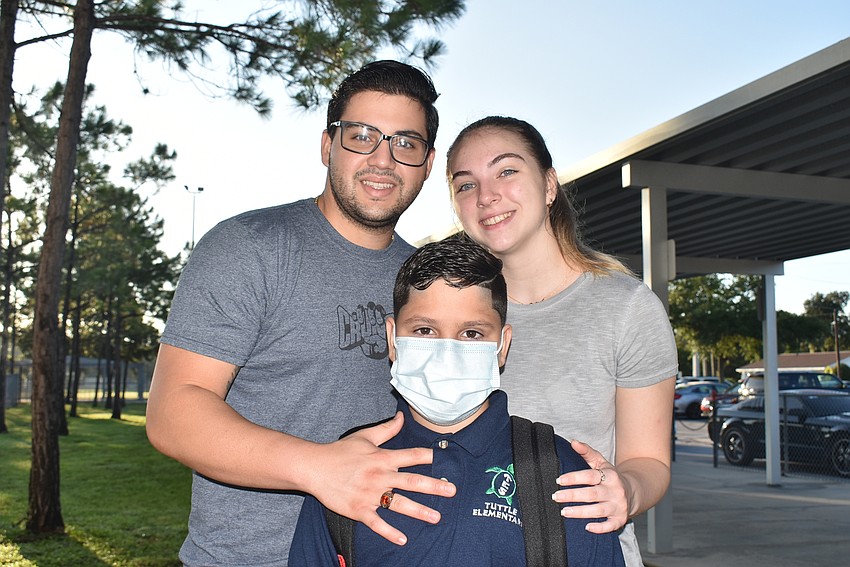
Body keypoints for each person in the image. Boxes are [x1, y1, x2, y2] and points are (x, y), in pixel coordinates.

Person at [145, 60, 457, 566]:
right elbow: (172, 414)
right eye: (361, 135)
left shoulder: (422, 278)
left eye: (405, 142)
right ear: (326, 145)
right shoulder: (249, 247)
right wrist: (319, 469)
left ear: (426, 161)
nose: (384, 159)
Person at [288, 238, 627, 566]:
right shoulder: (343, 466)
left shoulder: (560, 472)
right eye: (424, 330)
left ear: (502, 346)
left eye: (471, 333)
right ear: (392, 339)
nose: (447, 353)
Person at [446, 116, 678, 566]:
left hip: (584, 552)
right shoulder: (451, 313)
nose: (487, 195)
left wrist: (625, 491)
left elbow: (650, 463)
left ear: (550, 185)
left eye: (506, 171)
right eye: (465, 185)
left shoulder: (626, 307)